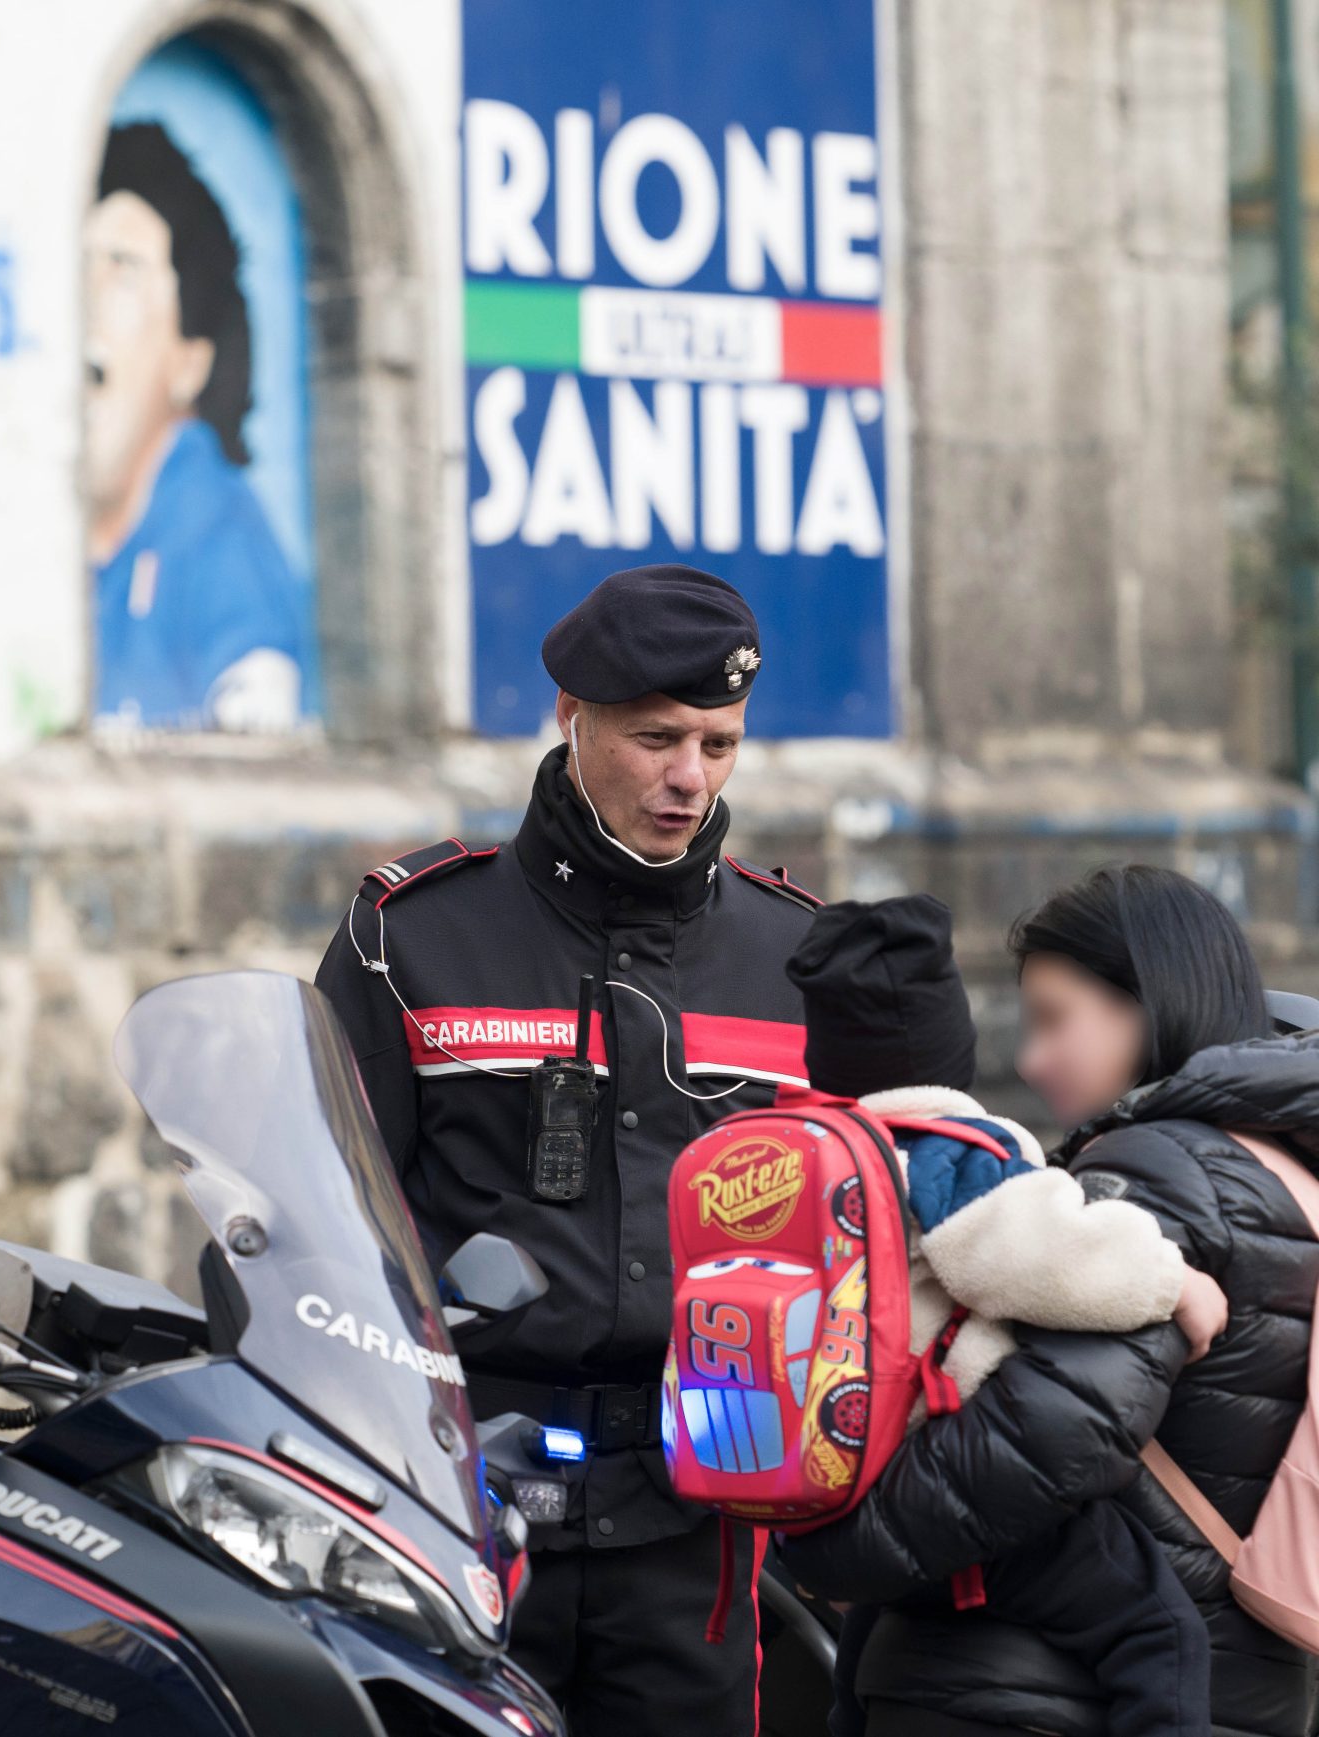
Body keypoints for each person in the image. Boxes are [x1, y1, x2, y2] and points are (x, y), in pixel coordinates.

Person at [316, 564, 819, 1732]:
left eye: (720, 743)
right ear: (572, 719)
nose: (689, 778)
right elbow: (337, 1224)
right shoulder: (414, 935)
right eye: (656, 739)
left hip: (698, 1513)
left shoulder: (794, 953)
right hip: (468, 1497)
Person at [778, 864, 1319, 1737]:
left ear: (1149, 1002)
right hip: (1242, 1682)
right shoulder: (1277, 1164)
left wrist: (835, 1542)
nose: (1029, 1059)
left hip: (1037, 1687)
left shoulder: (1154, 1174)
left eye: (1054, 1020)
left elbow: (1051, 1431)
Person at [85, 121, 303, 732]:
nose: (83, 296)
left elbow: (261, 763)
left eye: (121, 268)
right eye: (78, 263)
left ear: (190, 363)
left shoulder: (220, 544)